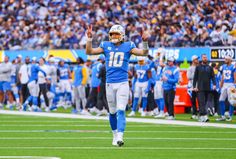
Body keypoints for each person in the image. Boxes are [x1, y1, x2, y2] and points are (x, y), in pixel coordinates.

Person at [86, 24, 149, 147]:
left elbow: (143, 53)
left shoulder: (128, 45)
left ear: (122, 35)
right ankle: (114, 135)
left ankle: (120, 136)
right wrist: (89, 39)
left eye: (116, 34)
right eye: (112, 34)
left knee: (121, 110)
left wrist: (145, 42)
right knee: (112, 112)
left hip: (122, 83)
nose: (114, 36)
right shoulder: (105, 45)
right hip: (109, 83)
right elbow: (90, 51)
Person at [193, 54, 216, 122]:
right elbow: (195, 78)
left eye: (206, 57)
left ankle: (201, 115)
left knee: (204, 102)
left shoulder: (210, 67)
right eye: (204, 57)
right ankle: (205, 115)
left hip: (207, 87)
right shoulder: (198, 67)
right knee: (201, 101)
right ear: (202, 59)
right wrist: (194, 86)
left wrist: (214, 84)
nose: (205, 58)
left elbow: (213, 77)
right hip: (200, 87)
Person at [216, 56, 235, 121]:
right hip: (224, 84)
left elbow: (235, 77)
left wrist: (234, 85)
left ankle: (230, 116)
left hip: (231, 84)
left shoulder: (233, 66)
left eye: (226, 59)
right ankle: (222, 116)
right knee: (221, 100)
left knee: (231, 101)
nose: (225, 60)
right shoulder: (223, 66)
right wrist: (221, 85)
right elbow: (223, 77)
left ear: (230, 60)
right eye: (225, 59)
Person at [187, 55, 199, 119]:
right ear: (193, 60)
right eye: (196, 59)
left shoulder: (199, 67)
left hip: (199, 86)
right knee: (193, 100)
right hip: (192, 86)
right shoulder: (190, 68)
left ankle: (202, 113)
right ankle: (194, 113)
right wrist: (197, 76)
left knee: (200, 100)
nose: (197, 60)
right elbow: (188, 77)